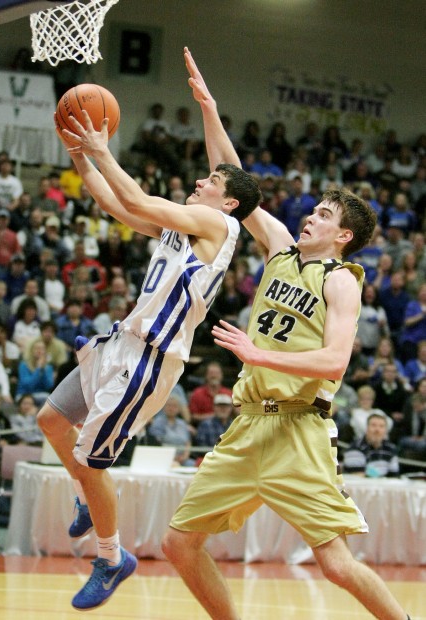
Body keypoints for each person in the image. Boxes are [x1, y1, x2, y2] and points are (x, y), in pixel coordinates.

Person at [162, 49, 410, 620]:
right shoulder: (280, 249)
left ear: (343, 234)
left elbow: (335, 364)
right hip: (248, 426)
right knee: (179, 543)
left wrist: (255, 351)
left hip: (299, 432)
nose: (311, 215)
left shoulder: (341, 281)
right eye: (315, 209)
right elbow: (237, 182)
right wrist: (210, 110)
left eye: (324, 214)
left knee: (336, 565)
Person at [36, 47, 261, 612]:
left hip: (149, 362)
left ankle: (111, 557)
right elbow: (118, 205)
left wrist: (102, 149)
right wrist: (82, 159)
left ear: (228, 201)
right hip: (120, 344)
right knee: (51, 420)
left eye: (210, 179)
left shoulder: (219, 225)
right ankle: (92, 497)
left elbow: (134, 193)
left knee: (92, 464)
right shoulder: (180, 229)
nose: (199, 182)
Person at [342, 413, 400, 477]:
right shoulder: (355, 448)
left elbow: (393, 477)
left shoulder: (391, 448)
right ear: (367, 428)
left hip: (384, 485)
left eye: (381, 426)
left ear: (386, 431)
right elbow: (358, 477)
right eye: (373, 425)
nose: (377, 430)